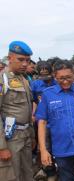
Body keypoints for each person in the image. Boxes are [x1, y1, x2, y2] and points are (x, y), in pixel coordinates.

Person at [0, 40, 34, 181]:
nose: (25, 64)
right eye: (21, 60)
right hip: (10, 138)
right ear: (10, 58)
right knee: (12, 176)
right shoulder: (2, 79)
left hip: (25, 134)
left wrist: (32, 136)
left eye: (27, 60)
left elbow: (27, 108)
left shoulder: (24, 79)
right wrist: (2, 147)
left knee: (28, 173)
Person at [31, 61, 58, 180]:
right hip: (42, 120)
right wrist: (33, 114)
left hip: (57, 119)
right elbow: (33, 100)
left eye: (47, 74)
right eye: (42, 75)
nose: (44, 77)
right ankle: (49, 171)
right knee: (45, 146)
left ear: (52, 73)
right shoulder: (35, 84)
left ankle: (62, 169)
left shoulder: (57, 83)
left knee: (58, 145)